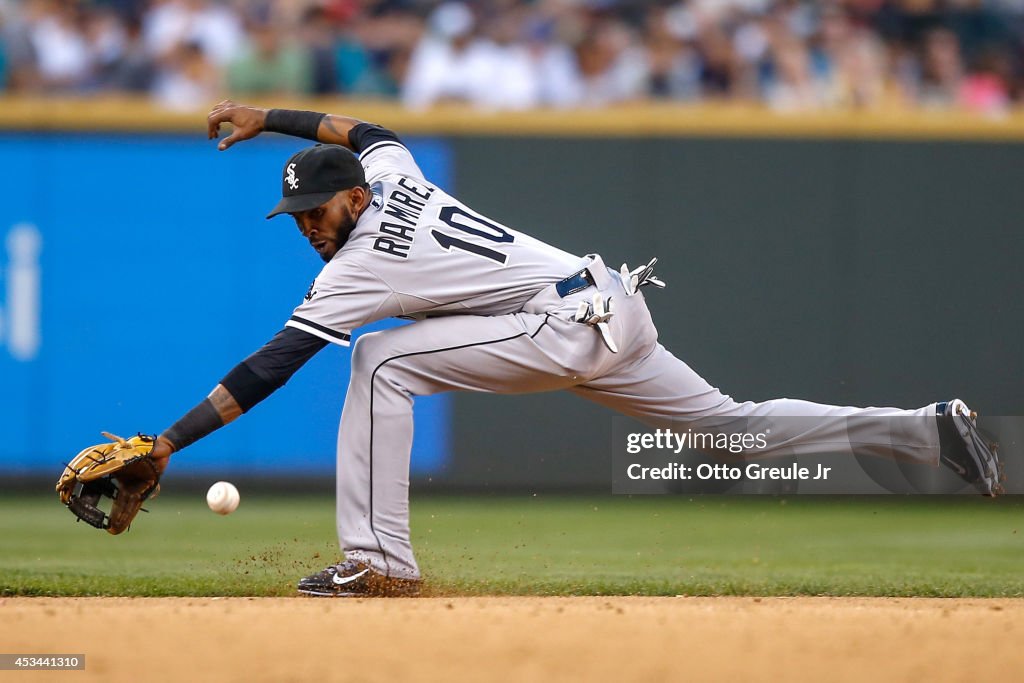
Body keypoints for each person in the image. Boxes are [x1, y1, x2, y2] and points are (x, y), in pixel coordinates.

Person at [141, 100, 1002, 597]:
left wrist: (167, 442)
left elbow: (274, 363)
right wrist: (270, 119)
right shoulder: (397, 175)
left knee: (379, 361)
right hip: (608, 307)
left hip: (565, 325)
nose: (309, 233)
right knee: (732, 429)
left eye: (316, 216)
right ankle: (933, 431)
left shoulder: (362, 260)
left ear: (355, 203)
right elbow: (361, 129)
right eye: (298, 223)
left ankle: (377, 562)